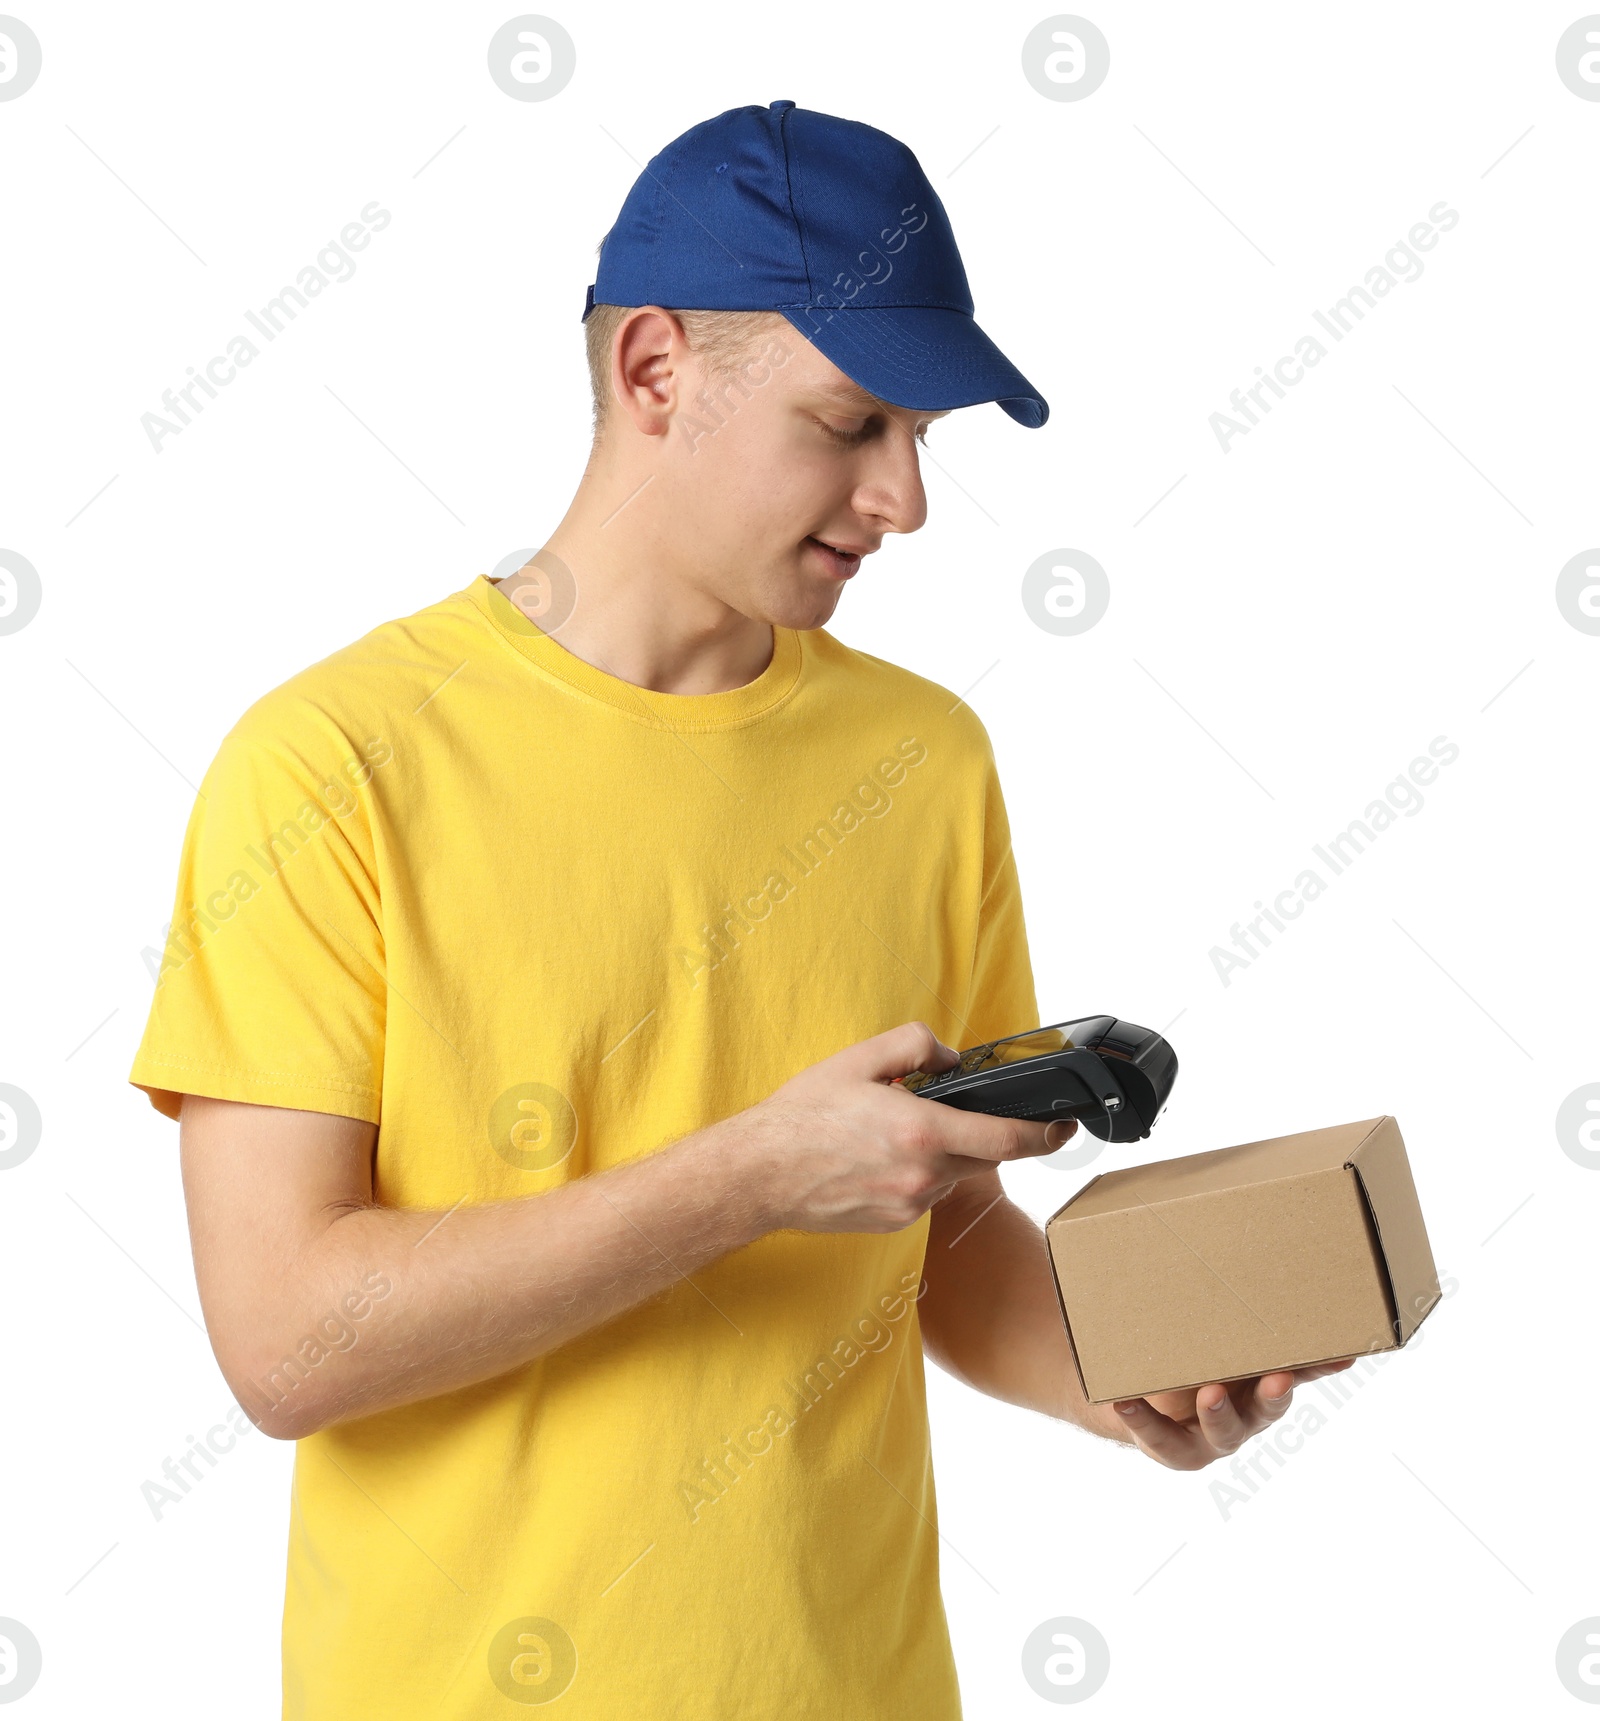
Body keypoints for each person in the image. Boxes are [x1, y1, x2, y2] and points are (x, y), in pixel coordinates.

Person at [131, 100, 1350, 1720]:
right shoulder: (332, 768)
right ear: (653, 373)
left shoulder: (921, 761)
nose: (906, 498)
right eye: (851, 424)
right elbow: (286, 1341)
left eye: (923, 435)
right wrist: (755, 1172)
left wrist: (1119, 1377)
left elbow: (945, 1227)